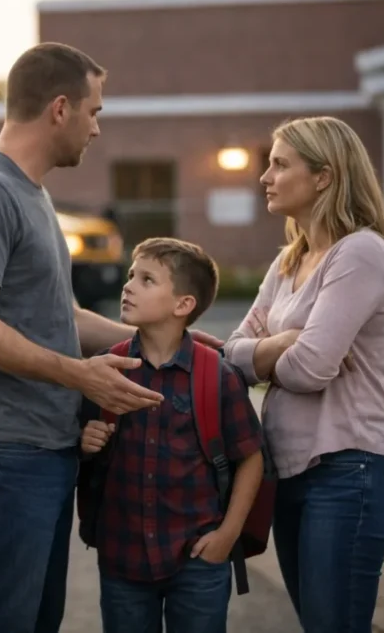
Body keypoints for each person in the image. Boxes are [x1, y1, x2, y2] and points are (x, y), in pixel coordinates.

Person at [0, 42, 221, 633]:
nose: (97, 128)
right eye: (94, 112)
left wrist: (179, 341)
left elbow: (64, 316)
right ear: (60, 108)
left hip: (37, 450)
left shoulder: (29, 193)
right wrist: (75, 374)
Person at [223, 116, 384, 633]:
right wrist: (283, 344)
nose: (266, 176)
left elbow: (310, 370)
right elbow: (228, 356)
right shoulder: (289, 261)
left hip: (352, 469)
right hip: (290, 472)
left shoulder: (361, 252)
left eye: (280, 164)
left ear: (324, 176)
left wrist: (270, 355)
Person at [78, 237, 265, 633]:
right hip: (122, 561)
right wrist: (85, 441)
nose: (128, 285)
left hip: (197, 562)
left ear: (183, 305)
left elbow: (251, 456)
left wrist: (227, 536)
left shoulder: (217, 376)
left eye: (147, 279)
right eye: (131, 275)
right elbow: (82, 449)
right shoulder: (104, 368)